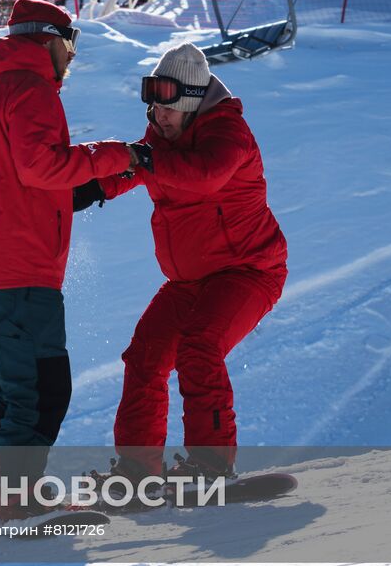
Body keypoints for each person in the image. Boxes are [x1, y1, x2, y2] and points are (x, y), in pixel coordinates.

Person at [0, 0, 144, 521]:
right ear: (51, 41)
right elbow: (41, 168)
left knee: (9, 391)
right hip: (20, 271)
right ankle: (13, 500)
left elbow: (0, 185)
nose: (72, 58)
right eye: (71, 45)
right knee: (41, 391)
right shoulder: (32, 91)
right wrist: (121, 153)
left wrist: (105, 181)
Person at [78, 42, 288, 489]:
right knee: (145, 358)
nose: (157, 115)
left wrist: (144, 158)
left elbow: (204, 174)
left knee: (199, 347)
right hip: (189, 280)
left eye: (166, 105)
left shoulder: (229, 133)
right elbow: (136, 167)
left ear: (192, 100)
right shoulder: (162, 135)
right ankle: (138, 474)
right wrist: (90, 189)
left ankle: (212, 467)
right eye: (152, 105)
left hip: (247, 271)